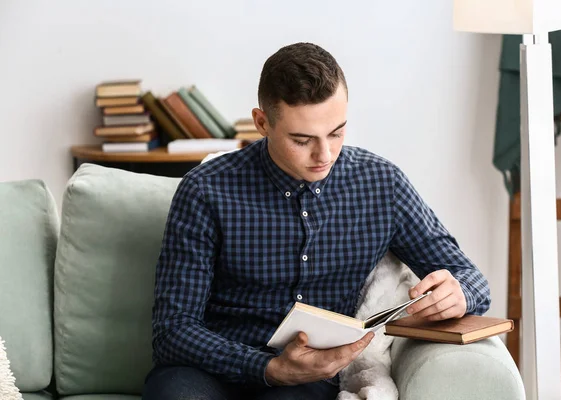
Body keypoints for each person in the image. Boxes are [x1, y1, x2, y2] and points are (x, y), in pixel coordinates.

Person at [142, 42, 491, 400]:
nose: (324, 155)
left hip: (310, 380)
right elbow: (173, 330)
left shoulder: (381, 184)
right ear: (262, 123)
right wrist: (267, 369)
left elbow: (470, 278)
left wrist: (459, 294)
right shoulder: (205, 189)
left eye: (337, 132)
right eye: (302, 139)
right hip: (208, 370)